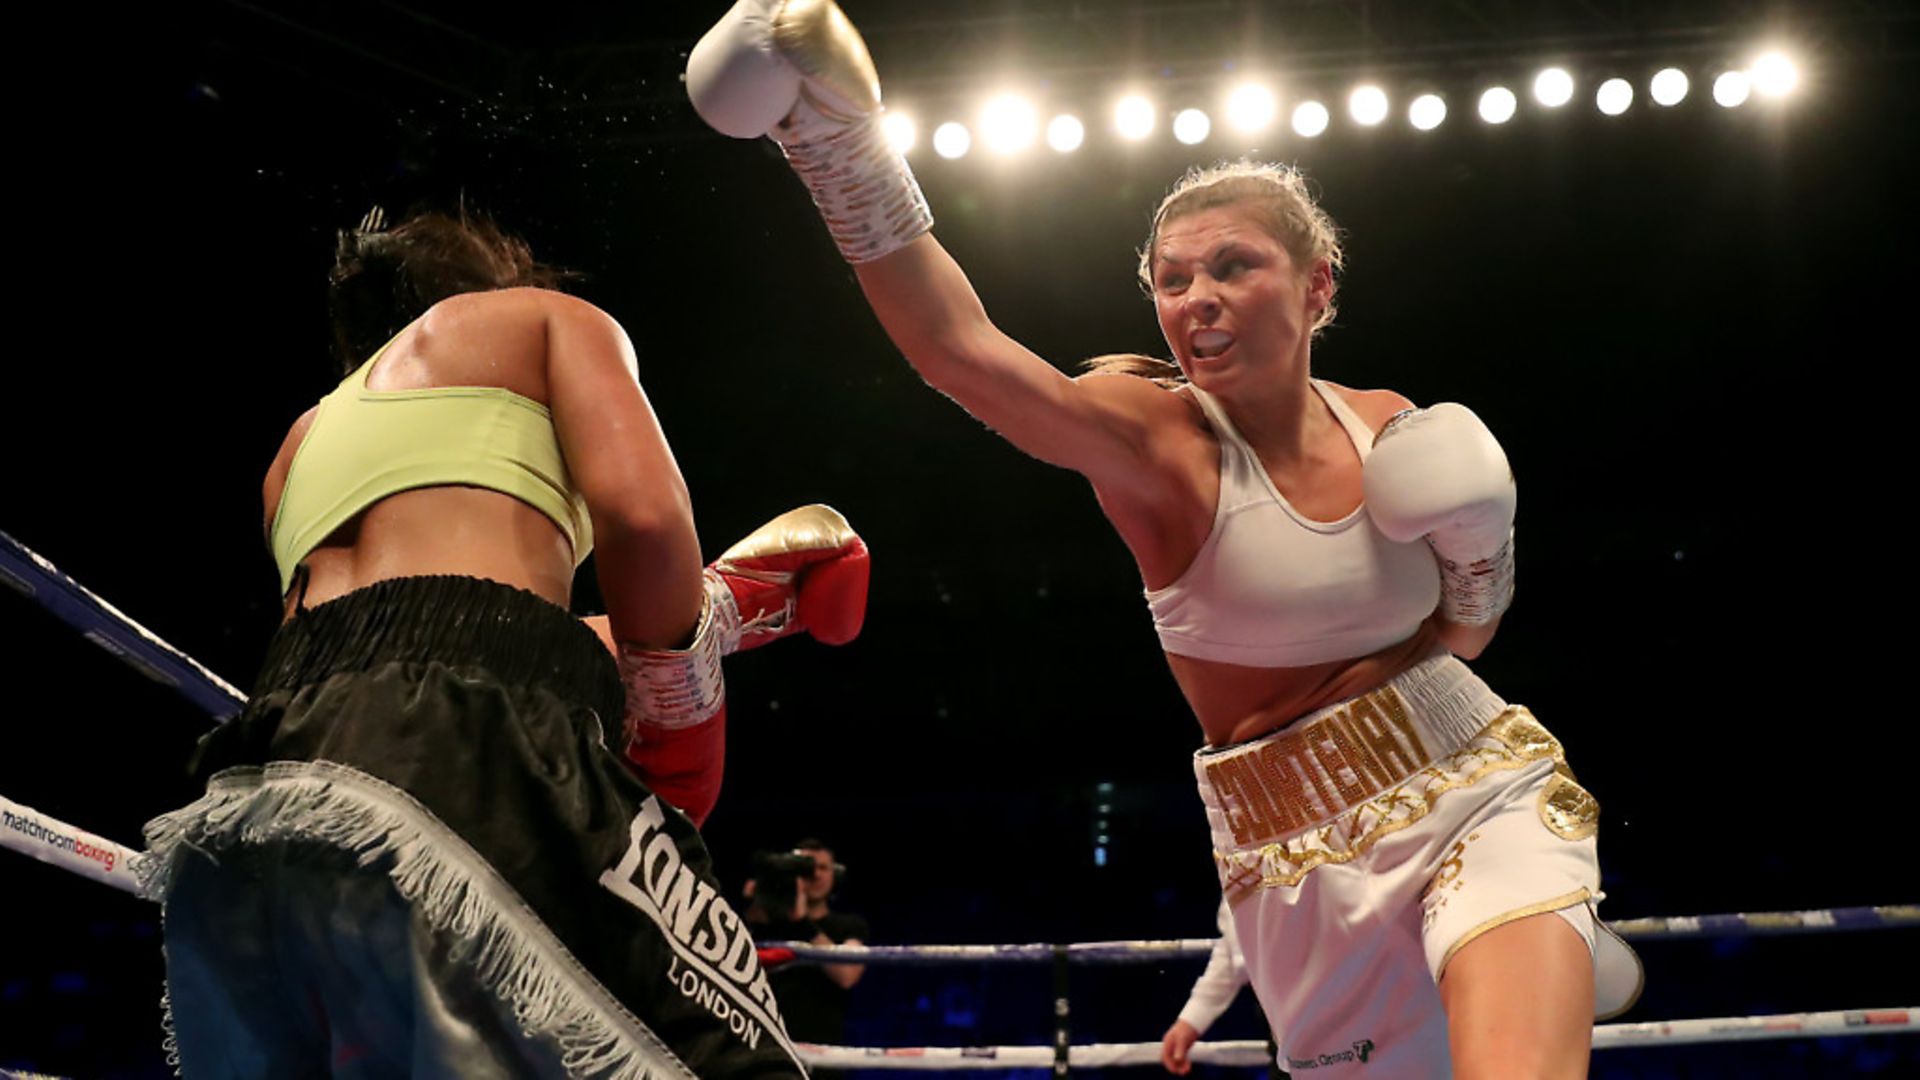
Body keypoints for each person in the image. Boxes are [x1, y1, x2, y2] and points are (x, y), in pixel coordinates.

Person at [685, 4, 1643, 1077]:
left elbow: (1466, 640)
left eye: (1234, 267)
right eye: (1173, 280)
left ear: (1317, 285)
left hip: (1475, 783)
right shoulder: (1158, 442)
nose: (1198, 300)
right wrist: (837, 142)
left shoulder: (1386, 420)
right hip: (1290, 858)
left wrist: (1484, 550)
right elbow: (962, 351)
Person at [138, 206, 870, 1077]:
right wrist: (684, 683)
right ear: (497, 281)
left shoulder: (295, 450)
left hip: (246, 805)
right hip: (457, 759)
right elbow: (641, 521)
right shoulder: (544, 321)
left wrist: (733, 606)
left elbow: (394, 650)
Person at [1160, 899, 1249, 1076]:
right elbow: (1237, 943)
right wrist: (1194, 1017)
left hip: (1313, 1013)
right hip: (1283, 1023)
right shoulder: (1235, 873)